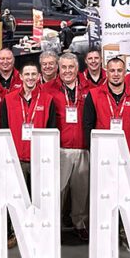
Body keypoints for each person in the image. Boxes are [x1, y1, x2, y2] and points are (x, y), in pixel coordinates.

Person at [49, 53, 91, 241]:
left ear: (77, 69)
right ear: (59, 69)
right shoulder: (48, 89)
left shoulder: (90, 89)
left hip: (83, 147)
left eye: (71, 67)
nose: (67, 71)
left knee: (81, 190)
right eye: (63, 67)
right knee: (57, 190)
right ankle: (52, 224)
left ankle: (79, 223)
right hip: (60, 148)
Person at [83, 57, 130, 169]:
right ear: (106, 73)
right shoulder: (94, 95)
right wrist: (93, 149)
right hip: (103, 155)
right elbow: (88, 126)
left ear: (125, 72)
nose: (116, 74)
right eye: (112, 71)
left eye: (119, 70)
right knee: (104, 186)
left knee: (127, 187)